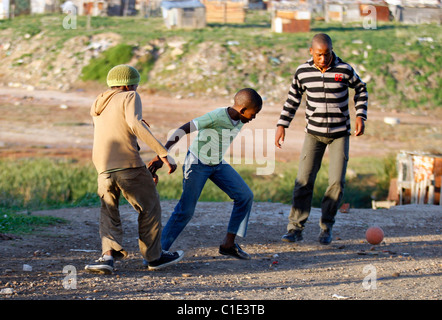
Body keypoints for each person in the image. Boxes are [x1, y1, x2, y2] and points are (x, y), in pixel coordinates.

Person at [85, 64, 184, 274]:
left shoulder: (98, 102)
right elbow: (134, 123)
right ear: (129, 84)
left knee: (108, 211)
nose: (137, 88)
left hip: (103, 168)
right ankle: (154, 257)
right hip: (128, 163)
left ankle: (107, 257)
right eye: (136, 84)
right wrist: (163, 153)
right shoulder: (129, 96)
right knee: (150, 207)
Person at [148, 88, 262, 260]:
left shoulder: (240, 119)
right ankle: (155, 254)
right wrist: (161, 154)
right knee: (185, 211)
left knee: (245, 196)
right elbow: (183, 129)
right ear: (243, 110)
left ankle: (228, 245)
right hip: (197, 163)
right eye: (253, 114)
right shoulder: (216, 116)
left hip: (217, 163)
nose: (254, 118)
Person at [276, 33, 368, 245]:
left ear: (332, 51)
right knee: (303, 181)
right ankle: (295, 228)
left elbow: (361, 89)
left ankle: (326, 227)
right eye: (319, 55)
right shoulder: (302, 72)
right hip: (313, 134)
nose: (323, 59)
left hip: (339, 134)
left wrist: (360, 115)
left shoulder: (344, 70)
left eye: (327, 54)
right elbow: (292, 99)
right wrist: (282, 124)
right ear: (311, 52)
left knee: (336, 182)